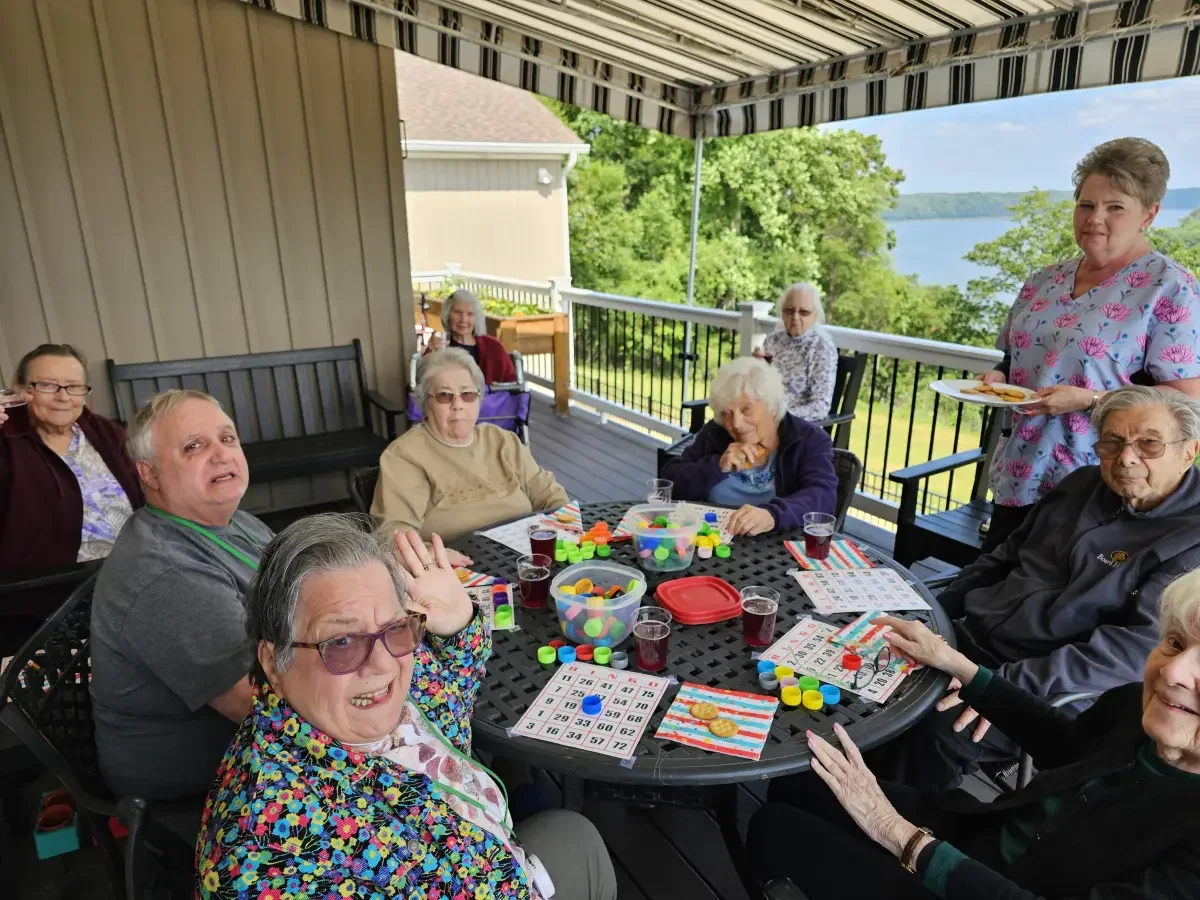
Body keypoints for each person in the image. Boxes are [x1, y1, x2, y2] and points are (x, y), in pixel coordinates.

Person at [196, 514, 618, 900]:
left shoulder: (372, 685)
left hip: (502, 861)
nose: (382, 666)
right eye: (341, 642)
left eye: (395, 625)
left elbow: (446, 694)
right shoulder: (264, 854)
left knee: (575, 832)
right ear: (274, 663)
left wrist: (459, 622)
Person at [749, 569, 1200, 900]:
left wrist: (897, 833)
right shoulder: (1138, 707)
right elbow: (1066, 745)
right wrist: (958, 665)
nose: (1173, 672)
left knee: (775, 828)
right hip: (979, 834)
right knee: (800, 781)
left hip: (983, 885)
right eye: (1177, 643)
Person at [890, 384, 1200, 790]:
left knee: (933, 726)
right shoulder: (1080, 484)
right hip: (969, 637)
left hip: (1045, 683)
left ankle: (897, 820)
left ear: (1189, 451)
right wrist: (933, 612)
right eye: (1112, 443)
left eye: (1149, 444)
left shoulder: (1191, 539)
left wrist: (1002, 688)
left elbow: (1131, 649)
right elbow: (1002, 559)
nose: (1126, 458)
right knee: (880, 664)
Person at [978, 137, 1200, 552]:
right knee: (993, 581)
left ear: (1149, 214)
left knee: (1061, 590)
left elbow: (1187, 399)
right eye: (1086, 205)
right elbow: (1012, 358)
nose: (1095, 218)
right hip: (1019, 471)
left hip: (1099, 485)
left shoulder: (1171, 288)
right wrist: (996, 377)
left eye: (1115, 207)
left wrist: (1090, 400)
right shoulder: (1043, 280)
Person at [90, 389, 272, 802]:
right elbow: (257, 705)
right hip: (208, 782)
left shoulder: (235, 522)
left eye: (227, 438)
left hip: (262, 739)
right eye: (194, 446)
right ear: (149, 473)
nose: (222, 455)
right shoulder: (163, 569)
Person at [0, 344, 143, 651]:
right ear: (21, 391)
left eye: (73, 386)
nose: (63, 397)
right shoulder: (5, 441)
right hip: (46, 602)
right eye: (48, 385)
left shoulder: (104, 432)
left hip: (129, 583)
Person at [372, 348, 567, 544]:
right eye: (444, 395)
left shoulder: (502, 441)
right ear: (425, 402)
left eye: (467, 394)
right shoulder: (405, 455)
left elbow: (551, 495)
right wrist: (435, 555)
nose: (458, 404)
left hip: (527, 553)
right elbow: (394, 534)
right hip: (455, 560)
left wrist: (564, 532)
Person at [661, 356, 837, 535]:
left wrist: (773, 515)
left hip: (775, 544)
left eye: (746, 409)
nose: (736, 424)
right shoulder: (715, 432)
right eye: (727, 413)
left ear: (772, 407)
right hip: (708, 540)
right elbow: (670, 483)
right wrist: (715, 466)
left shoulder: (809, 439)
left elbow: (823, 496)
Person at [754, 282, 838, 420]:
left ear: (815, 316)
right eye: (789, 310)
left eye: (804, 312)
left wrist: (780, 416)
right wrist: (754, 368)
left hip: (791, 424)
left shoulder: (821, 348)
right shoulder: (773, 340)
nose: (795, 317)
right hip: (760, 414)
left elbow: (820, 406)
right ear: (782, 313)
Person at [424, 288, 518, 384]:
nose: (463, 319)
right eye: (457, 312)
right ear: (447, 315)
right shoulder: (439, 345)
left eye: (470, 314)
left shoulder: (493, 347)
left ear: (476, 318)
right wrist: (430, 353)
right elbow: (423, 381)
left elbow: (511, 385)